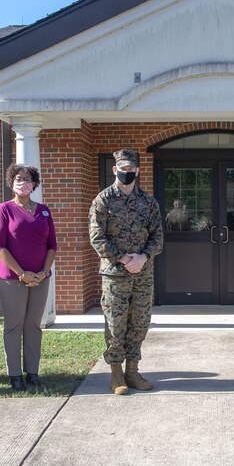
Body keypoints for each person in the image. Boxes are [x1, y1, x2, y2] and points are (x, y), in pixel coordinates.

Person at [89, 149, 164, 395]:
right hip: (115, 273)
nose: (127, 172)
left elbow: (157, 237)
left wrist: (143, 257)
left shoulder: (148, 202)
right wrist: (123, 258)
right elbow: (97, 237)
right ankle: (116, 374)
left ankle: (133, 371)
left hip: (142, 272)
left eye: (131, 169)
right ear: (115, 169)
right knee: (115, 323)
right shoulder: (103, 200)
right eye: (123, 169)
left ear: (137, 171)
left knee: (140, 322)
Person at [0, 164, 57, 392]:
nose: (23, 183)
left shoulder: (44, 211)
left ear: (34, 183)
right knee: (14, 325)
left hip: (40, 278)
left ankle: (32, 373)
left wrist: (44, 272)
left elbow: (52, 246)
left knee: (33, 325)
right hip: (12, 279)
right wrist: (22, 273)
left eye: (28, 179)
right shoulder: (4, 210)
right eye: (19, 179)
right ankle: (15, 375)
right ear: (12, 182)